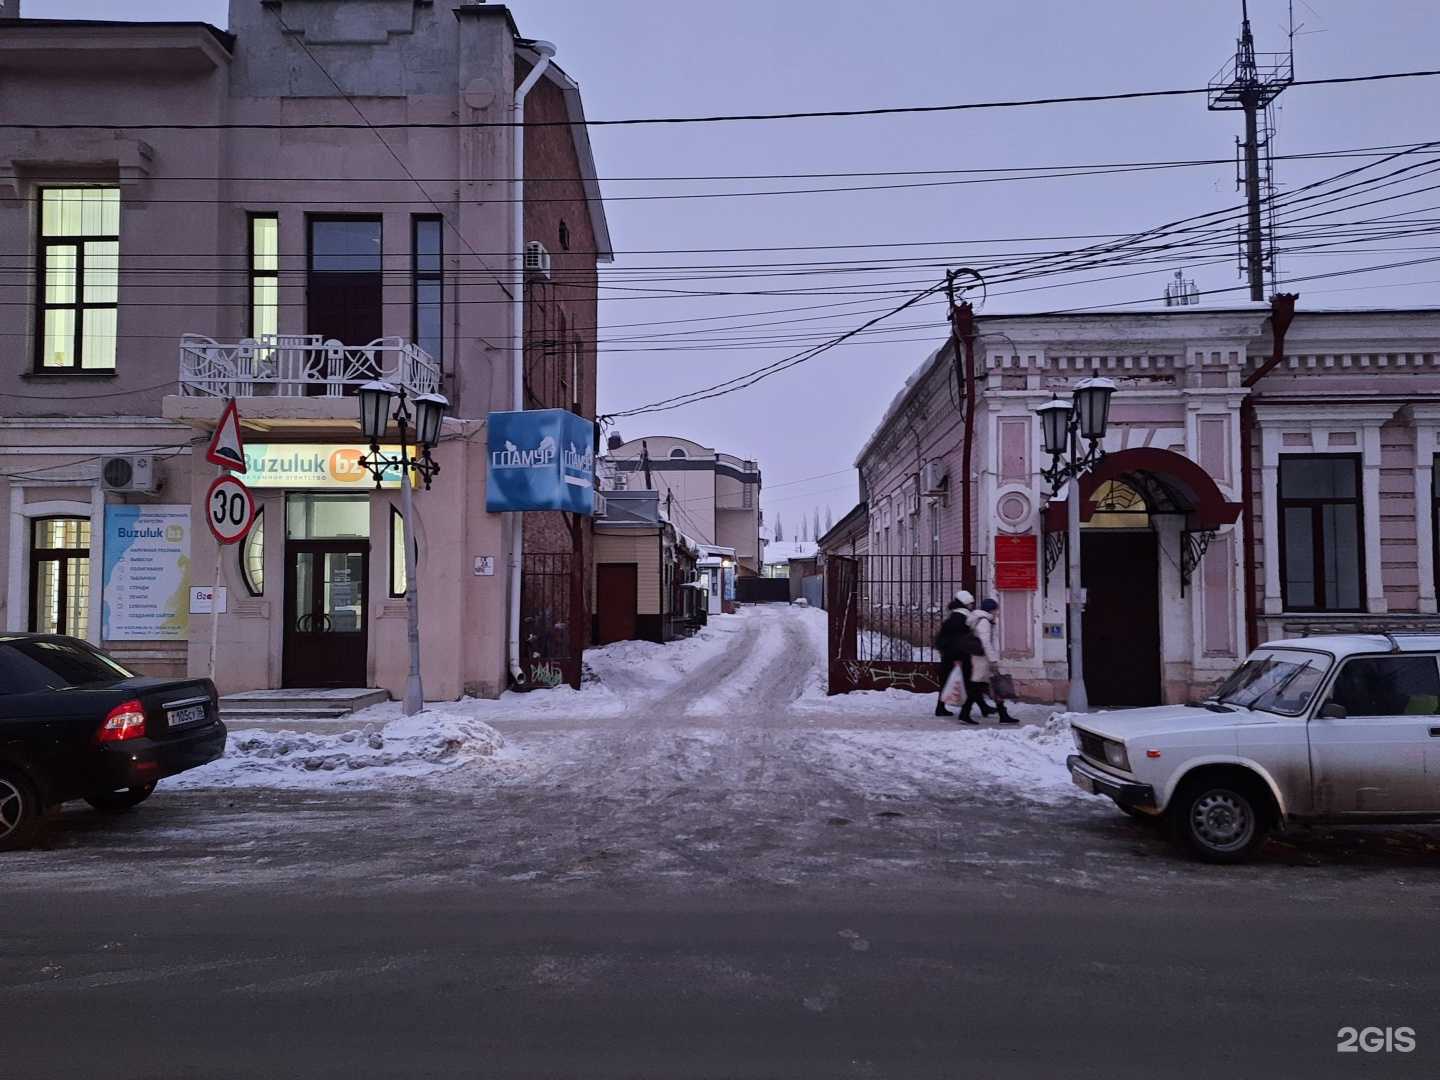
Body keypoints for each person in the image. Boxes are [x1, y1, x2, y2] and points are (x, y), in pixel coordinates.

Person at [963, 598, 1015, 725]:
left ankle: (1003, 714)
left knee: (990, 686)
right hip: (982, 660)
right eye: (996, 609)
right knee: (979, 687)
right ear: (991, 609)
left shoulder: (984, 620)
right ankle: (964, 713)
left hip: (982, 658)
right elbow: (985, 642)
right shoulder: (984, 621)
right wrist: (993, 660)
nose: (997, 612)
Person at [932, 590, 975, 718]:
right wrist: (957, 657)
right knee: (969, 683)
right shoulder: (960, 619)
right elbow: (957, 640)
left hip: (950, 656)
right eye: (970, 603)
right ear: (965, 604)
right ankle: (965, 712)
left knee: (947, 682)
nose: (972, 605)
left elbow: (941, 639)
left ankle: (941, 708)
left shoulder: (954, 616)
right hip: (957, 657)